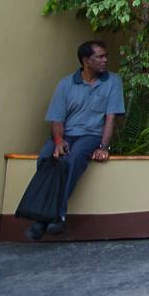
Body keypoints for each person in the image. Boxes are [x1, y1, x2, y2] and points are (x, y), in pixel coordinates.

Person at [23, 40, 125, 240]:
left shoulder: (113, 81)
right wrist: (59, 141)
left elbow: (110, 118)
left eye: (106, 56)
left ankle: (45, 219)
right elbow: (57, 119)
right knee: (46, 157)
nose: (105, 60)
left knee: (74, 159)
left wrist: (104, 146)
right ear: (86, 61)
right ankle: (53, 218)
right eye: (100, 56)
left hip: (91, 135)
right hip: (67, 134)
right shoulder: (66, 84)